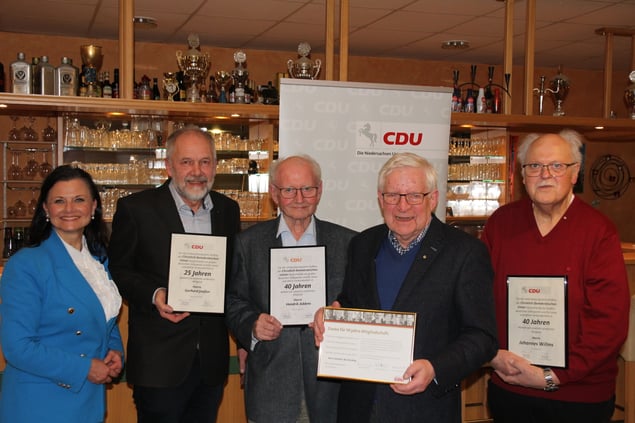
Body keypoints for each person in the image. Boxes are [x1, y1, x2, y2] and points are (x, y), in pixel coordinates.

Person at [313, 152, 498, 422]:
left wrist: (435, 368)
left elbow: (483, 337)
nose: (402, 206)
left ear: (433, 199)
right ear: (380, 199)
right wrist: (331, 315)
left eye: (414, 196)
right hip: (359, 408)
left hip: (424, 409)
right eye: (392, 195)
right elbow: (349, 301)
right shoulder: (362, 245)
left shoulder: (465, 253)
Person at [481, 130, 630, 423]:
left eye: (557, 166)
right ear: (522, 175)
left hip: (579, 397)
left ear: (575, 173)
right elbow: (476, 298)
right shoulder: (500, 224)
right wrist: (492, 354)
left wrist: (552, 376)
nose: (545, 174)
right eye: (534, 166)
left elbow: (608, 321)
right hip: (510, 386)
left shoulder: (599, 231)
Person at [108, 125, 241, 423]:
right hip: (159, 361)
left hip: (211, 360)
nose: (197, 171)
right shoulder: (136, 209)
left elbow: (234, 277)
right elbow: (119, 269)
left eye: (205, 162)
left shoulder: (228, 210)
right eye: (186, 162)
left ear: (215, 166)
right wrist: (154, 295)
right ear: (169, 166)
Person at [225, 155, 357, 423]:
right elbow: (233, 301)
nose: (299, 198)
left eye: (307, 189)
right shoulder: (248, 243)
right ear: (274, 193)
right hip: (270, 386)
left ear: (320, 190)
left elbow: (359, 301)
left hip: (331, 388)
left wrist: (339, 313)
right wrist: (252, 324)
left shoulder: (348, 243)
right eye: (289, 190)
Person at [0, 165, 123, 422]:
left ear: (94, 206)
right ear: (46, 208)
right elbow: (17, 347)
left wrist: (114, 350)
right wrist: (85, 367)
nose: (69, 209)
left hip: (88, 399)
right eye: (59, 201)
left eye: (79, 199)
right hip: (41, 402)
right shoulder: (26, 264)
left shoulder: (98, 260)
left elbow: (103, 316)